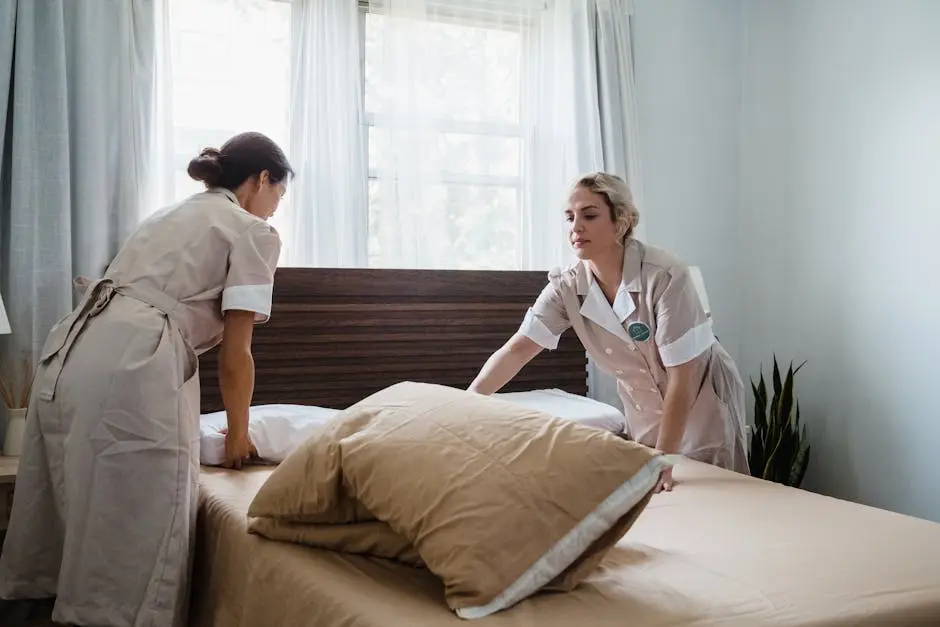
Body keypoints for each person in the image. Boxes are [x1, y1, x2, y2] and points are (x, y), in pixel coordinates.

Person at [0, 131, 292, 627]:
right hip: (133, 362)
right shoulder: (251, 231)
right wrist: (239, 434)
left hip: (74, 346)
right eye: (277, 197)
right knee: (134, 525)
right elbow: (236, 354)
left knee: (70, 510)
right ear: (262, 178)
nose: (273, 212)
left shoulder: (171, 214)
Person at [468, 172, 748, 492]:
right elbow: (518, 349)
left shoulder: (666, 276)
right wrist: (467, 404)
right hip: (643, 408)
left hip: (700, 400)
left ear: (622, 221)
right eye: (569, 217)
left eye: (589, 215)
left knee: (713, 495)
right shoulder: (567, 286)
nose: (576, 227)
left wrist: (664, 460)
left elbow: (682, 377)